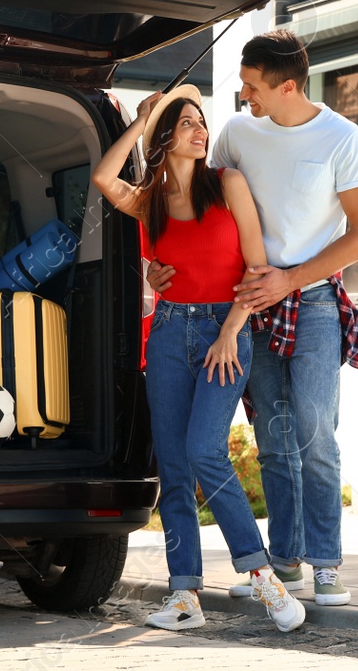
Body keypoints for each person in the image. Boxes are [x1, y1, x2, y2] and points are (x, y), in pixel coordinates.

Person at [147, 30, 358, 608]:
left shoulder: (344, 139)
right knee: (272, 437)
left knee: (317, 431)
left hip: (313, 301)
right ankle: (285, 561)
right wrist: (161, 268)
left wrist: (290, 279)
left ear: (287, 85)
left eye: (250, 86)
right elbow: (197, 202)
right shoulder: (237, 134)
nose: (242, 96)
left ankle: (325, 564)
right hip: (247, 304)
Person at [91, 84, 306, 634]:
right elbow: (102, 179)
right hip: (167, 333)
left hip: (224, 329)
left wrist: (231, 332)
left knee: (205, 450)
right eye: (185, 123)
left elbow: (257, 271)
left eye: (200, 121)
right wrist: (140, 122)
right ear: (166, 137)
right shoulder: (152, 201)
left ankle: (262, 577)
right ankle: (184, 594)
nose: (199, 129)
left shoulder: (227, 184)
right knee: (176, 465)